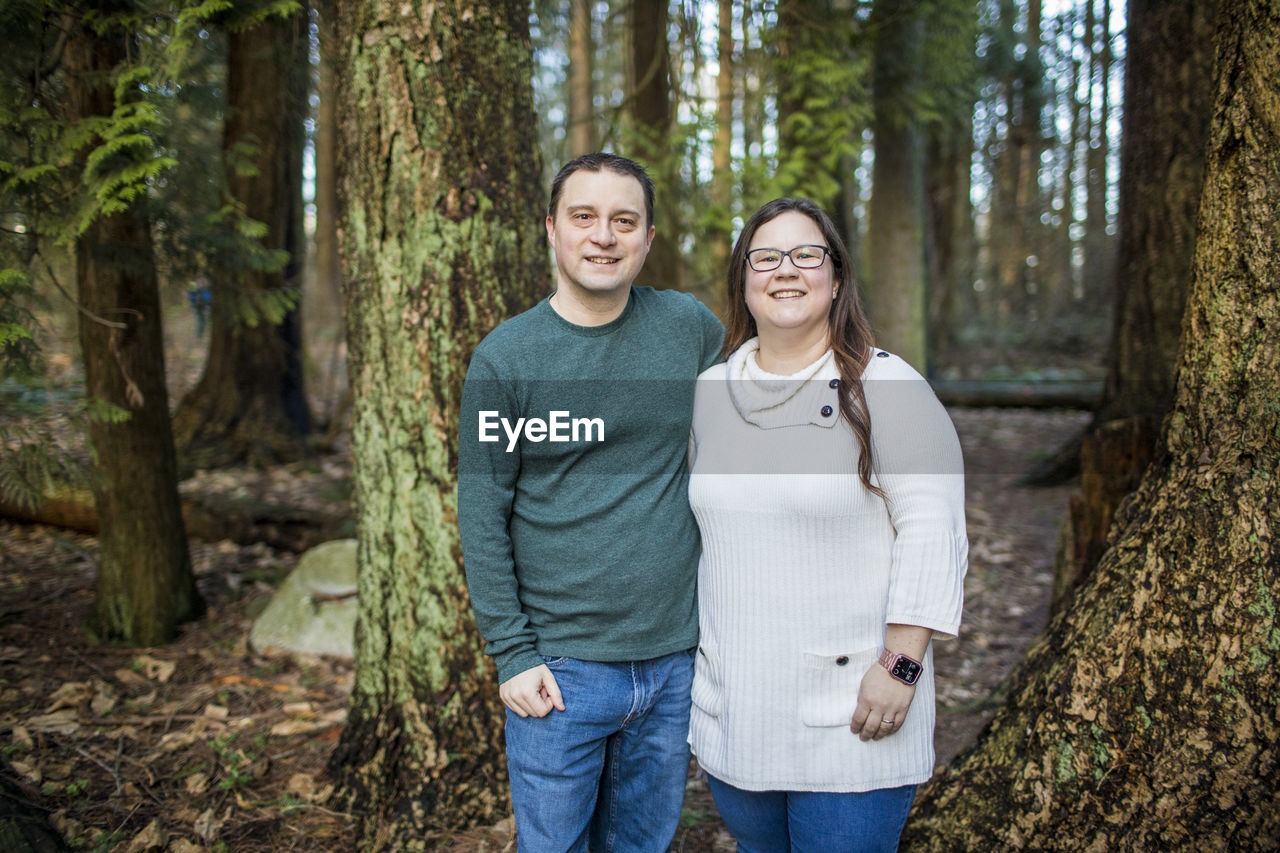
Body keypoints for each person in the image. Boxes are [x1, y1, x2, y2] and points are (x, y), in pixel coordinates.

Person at [458, 153, 724, 852]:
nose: (603, 235)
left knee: (643, 845)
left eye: (623, 220)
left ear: (647, 238)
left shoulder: (688, 330)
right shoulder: (506, 359)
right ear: (552, 230)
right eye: (584, 217)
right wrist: (511, 653)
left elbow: (757, 408)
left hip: (673, 660)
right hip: (561, 669)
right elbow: (482, 514)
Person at [687, 198, 967, 852]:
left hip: (853, 714)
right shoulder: (708, 391)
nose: (786, 270)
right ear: (744, 281)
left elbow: (934, 530)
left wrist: (901, 665)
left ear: (836, 277)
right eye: (766, 257)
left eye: (806, 254)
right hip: (738, 710)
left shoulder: (886, 385)